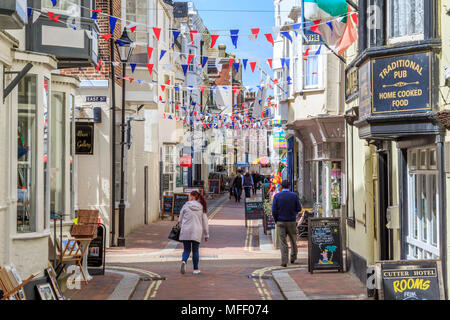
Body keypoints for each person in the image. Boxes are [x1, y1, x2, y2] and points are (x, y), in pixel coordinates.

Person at [272, 180, 302, 267]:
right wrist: (293, 213)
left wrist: (276, 220)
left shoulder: (277, 196)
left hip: (280, 221)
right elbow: (299, 208)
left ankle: (284, 261)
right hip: (292, 221)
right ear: (289, 186)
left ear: (281, 187)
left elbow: (274, 210)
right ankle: (293, 257)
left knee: (283, 242)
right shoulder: (294, 196)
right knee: (293, 240)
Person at [179, 191, 209, 274]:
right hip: (196, 231)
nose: (189, 197)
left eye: (189, 196)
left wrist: (183, 224)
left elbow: (180, 219)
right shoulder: (201, 208)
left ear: (192, 197)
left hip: (186, 230)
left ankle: (184, 261)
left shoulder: (185, 206)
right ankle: (195, 269)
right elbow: (205, 222)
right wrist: (206, 234)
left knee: (186, 250)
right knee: (195, 251)